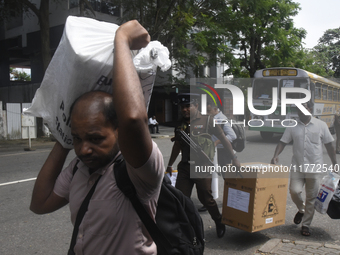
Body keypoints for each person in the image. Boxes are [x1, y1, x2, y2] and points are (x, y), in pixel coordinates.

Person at [30, 21, 164, 254]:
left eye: (95, 138)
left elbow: (133, 119)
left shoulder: (140, 172)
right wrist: (64, 139)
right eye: (77, 139)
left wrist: (121, 39)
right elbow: (39, 204)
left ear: (118, 130)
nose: (83, 150)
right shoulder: (77, 170)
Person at [166, 93, 241, 238]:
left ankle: (219, 221)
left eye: (188, 106)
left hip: (202, 167)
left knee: (206, 199)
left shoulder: (208, 121)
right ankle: (184, 228)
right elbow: (177, 145)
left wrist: (234, 158)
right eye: (182, 107)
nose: (185, 110)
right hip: (185, 168)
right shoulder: (180, 123)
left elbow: (224, 139)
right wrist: (170, 164)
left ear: (196, 106)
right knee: (181, 198)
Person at [271, 102, 337, 236]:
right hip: (297, 167)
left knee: (311, 198)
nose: (300, 112)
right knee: (294, 191)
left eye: (303, 108)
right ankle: (301, 210)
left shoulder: (321, 125)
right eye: (298, 109)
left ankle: (306, 225)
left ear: (310, 109)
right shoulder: (292, 126)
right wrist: (276, 155)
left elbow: (330, 145)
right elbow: (283, 141)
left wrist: (335, 163)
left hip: (314, 167)